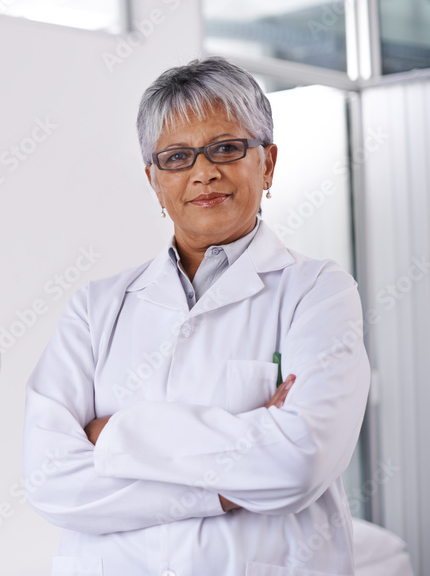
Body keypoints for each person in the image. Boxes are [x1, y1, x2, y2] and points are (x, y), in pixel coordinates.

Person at [23, 57, 369, 575]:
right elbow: (49, 480)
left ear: (267, 162)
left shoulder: (318, 292)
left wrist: (113, 436)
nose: (204, 172)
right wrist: (230, 483)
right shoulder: (96, 307)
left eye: (227, 148)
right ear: (153, 181)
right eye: (178, 157)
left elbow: (299, 462)